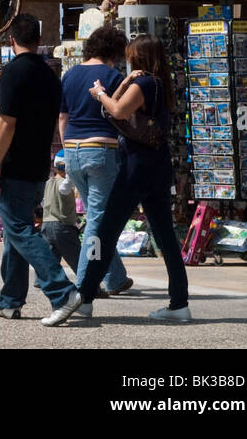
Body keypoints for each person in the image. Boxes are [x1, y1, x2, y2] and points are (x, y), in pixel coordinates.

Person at [68, 35, 190, 325]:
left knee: (106, 231)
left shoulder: (144, 83)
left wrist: (99, 93)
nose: (127, 59)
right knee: (166, 238)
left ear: (140, 57)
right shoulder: (159, 84)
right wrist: (121, 84)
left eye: (131, 55)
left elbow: (118, 110)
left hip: (136, 169)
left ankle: (84, 298)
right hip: (157, 167)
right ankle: (179, 302)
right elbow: (123, 106)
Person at [0, 13, 81, 326]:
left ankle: (61, 290)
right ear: (39, 40)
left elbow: (6, 122)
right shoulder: (49, 74)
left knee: (19, 229)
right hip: (38, 162)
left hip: (15, 162)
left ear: (11, 40)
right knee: (17, 229)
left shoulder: (13, 73)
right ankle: (10, 301)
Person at [59, 25, 134, 297]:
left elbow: (62, 117)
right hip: (101, 149)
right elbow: (122, 115)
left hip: (73, 148)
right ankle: (84, 283)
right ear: (114, 50)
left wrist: (66, 148)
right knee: (98, 218)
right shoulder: (113, 76)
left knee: (96, 216)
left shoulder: (69, 76)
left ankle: (115, 277)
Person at [40, 153, 79, 276]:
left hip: (46, 224)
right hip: (63, 226)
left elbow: (41, 202)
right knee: (77, 258)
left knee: (50, 258)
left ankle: (42, 279)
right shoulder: (67, 184)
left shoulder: (47, 183)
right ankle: (90, 285)